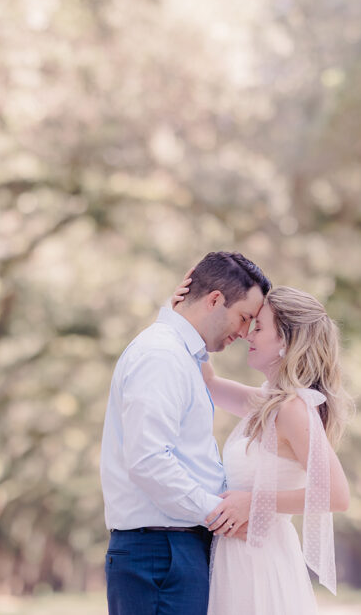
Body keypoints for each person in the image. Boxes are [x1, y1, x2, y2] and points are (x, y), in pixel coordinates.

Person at [100, 252, 272, 615]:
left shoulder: (182, 356)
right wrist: (220, 513)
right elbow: (147, 461)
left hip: (174, 550)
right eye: (244, 318)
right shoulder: (161, 356)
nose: (244, 333)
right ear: (214, 300)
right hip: (161, 554)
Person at [172, 277, 352, 614]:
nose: (247, 335)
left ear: (285, 340)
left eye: (258, 328)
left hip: (262, 560)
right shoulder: (267, 404)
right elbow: (207, 381)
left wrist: (254, 503)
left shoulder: (293, 410)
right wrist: (184, 314)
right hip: (237, 556)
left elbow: (336, 495)